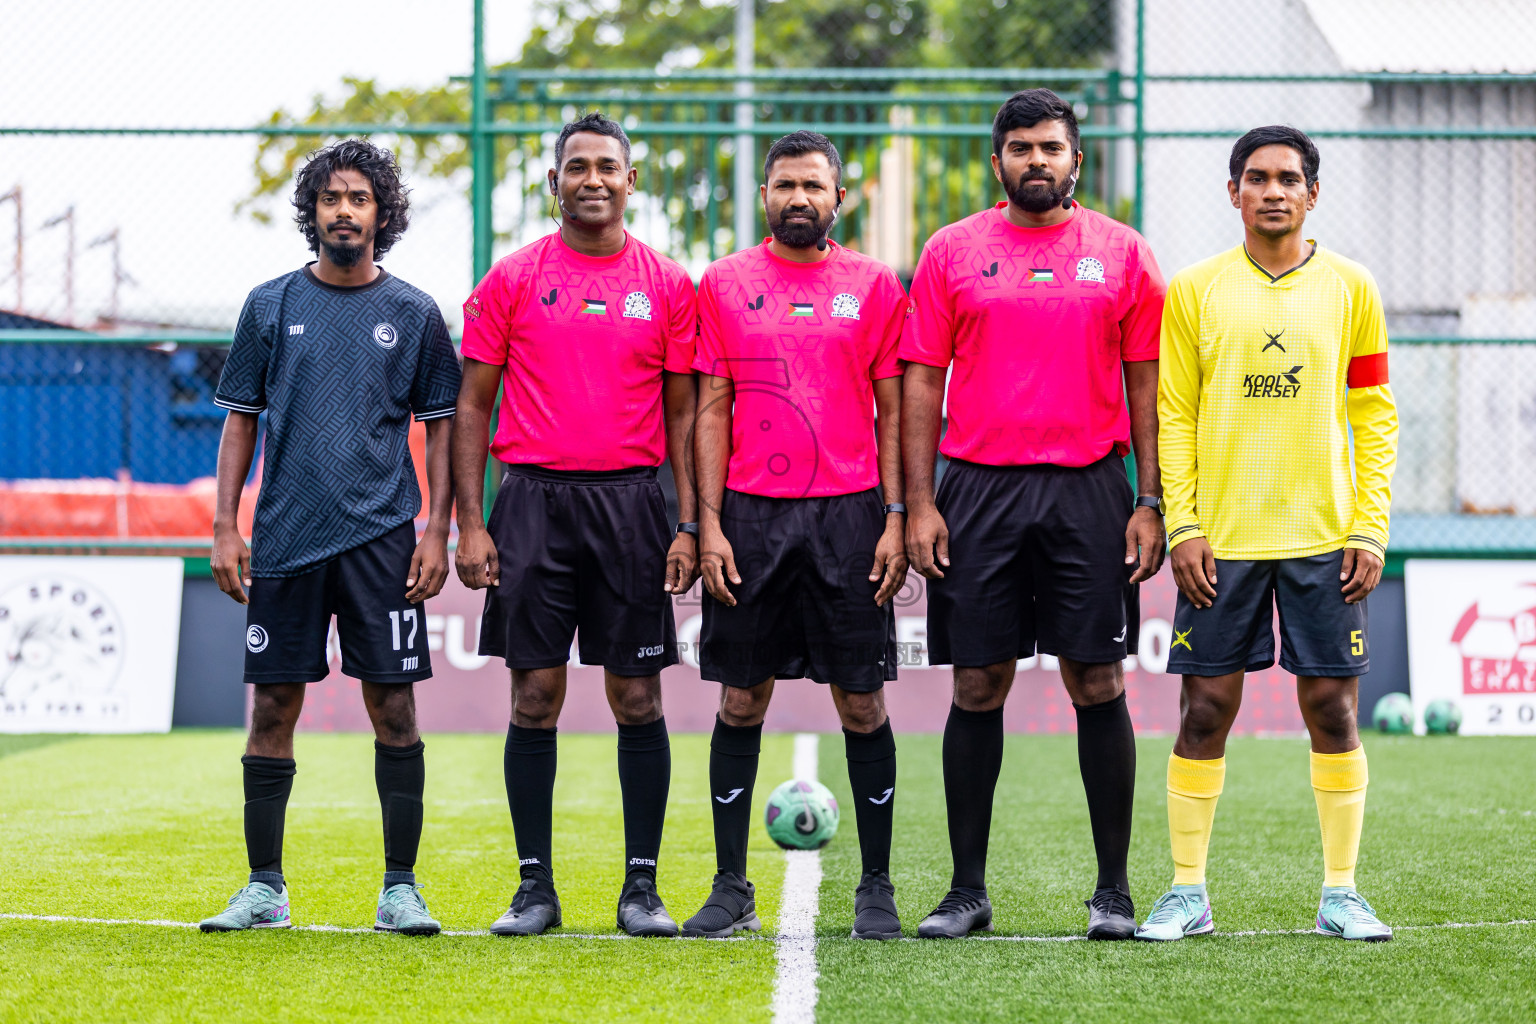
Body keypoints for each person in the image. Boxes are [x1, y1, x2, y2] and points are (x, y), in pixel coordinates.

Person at [902, 89, 1167, 941]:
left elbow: (1148, 387)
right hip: (976, 490)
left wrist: (1151, 500)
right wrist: (919, 504)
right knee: (978, 683)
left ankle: (1114, 893)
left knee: (1098, 680)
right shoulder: (951, 252)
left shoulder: (1123, 255)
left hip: (1092, 488)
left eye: (1050, 147)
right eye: (1020, 148)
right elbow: (918, 383)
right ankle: (966, 892)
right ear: (998, 163)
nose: (1036, 161)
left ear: (1076, 161)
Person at [1136, 126, 1398, 943]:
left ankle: (1342, 893)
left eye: (1289, 178)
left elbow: (1374, 416)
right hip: (1224, 538)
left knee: (1332, 708)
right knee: (1205, 710)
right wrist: (1184, 523)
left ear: (1313, 194)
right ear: (1234, 192)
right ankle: (1186, 892)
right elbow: (1171, 416)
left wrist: (1370, 526)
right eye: (1257, 178)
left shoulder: (1352, 287)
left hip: (1325, 535)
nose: (1274, 190)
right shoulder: (1194, 289)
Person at [200, 140, 461, 935]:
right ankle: (264, 889)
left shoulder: (415, 313)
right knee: (273, 706)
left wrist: (437, 531)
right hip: (283, 536)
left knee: (394, 708)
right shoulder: (268, 305)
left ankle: (400, 889)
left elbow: (444, 430)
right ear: (311, 212)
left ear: (384, 214)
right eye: (330, 199)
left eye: (359, 199)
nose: (344, 211)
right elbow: (241, 421)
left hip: (384, 536)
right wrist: (225, 526)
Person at [453, 112, 699, 938]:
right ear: (553, 183)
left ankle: (642, 889)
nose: (593, 179)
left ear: (632, 182)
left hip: (632, 506)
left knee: (636, 695)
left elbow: (686, 415)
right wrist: (469, 524)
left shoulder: (667, 284)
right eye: (577, 167)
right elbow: (472, 406)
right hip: (530, 505)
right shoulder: (512, 280)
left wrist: (690, 523)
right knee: (535, 694)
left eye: (607, 167)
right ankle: (534, 889)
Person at [683, 131, 910, 940]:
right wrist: (706, 523)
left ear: (838, 199)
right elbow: (710, 409)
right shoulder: (725, 283)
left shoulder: (876, 286)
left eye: (813, 185)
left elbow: (892, 411)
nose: (798, 198)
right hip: (751, 515)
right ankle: (729, 883)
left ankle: (875, 887)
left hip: (850, 516)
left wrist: (894, 516)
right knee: (741, 699)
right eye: (785, 185)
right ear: (765, 197)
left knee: (863, 701)